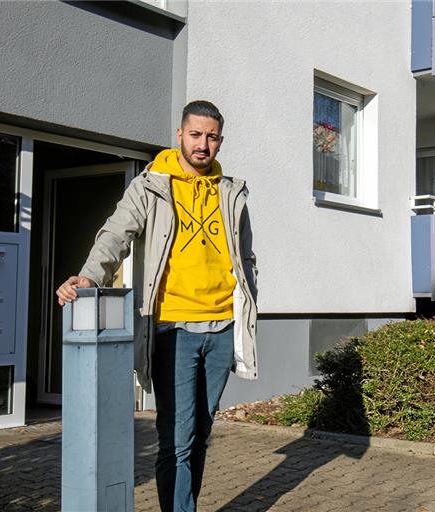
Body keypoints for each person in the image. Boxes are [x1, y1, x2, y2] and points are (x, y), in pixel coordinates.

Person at [56, 100, 258, 512]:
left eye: (212, 137)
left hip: (221, 328)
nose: (204, 144)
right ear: (180, 135)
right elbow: (116, 234)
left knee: (201, 432)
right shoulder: (152, 185)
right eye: (196, 135)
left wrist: (248, 300)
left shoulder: (231, 191)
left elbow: (246, 256)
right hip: (173, 330)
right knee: (177, 436)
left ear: (220, 140)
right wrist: (90, 275)